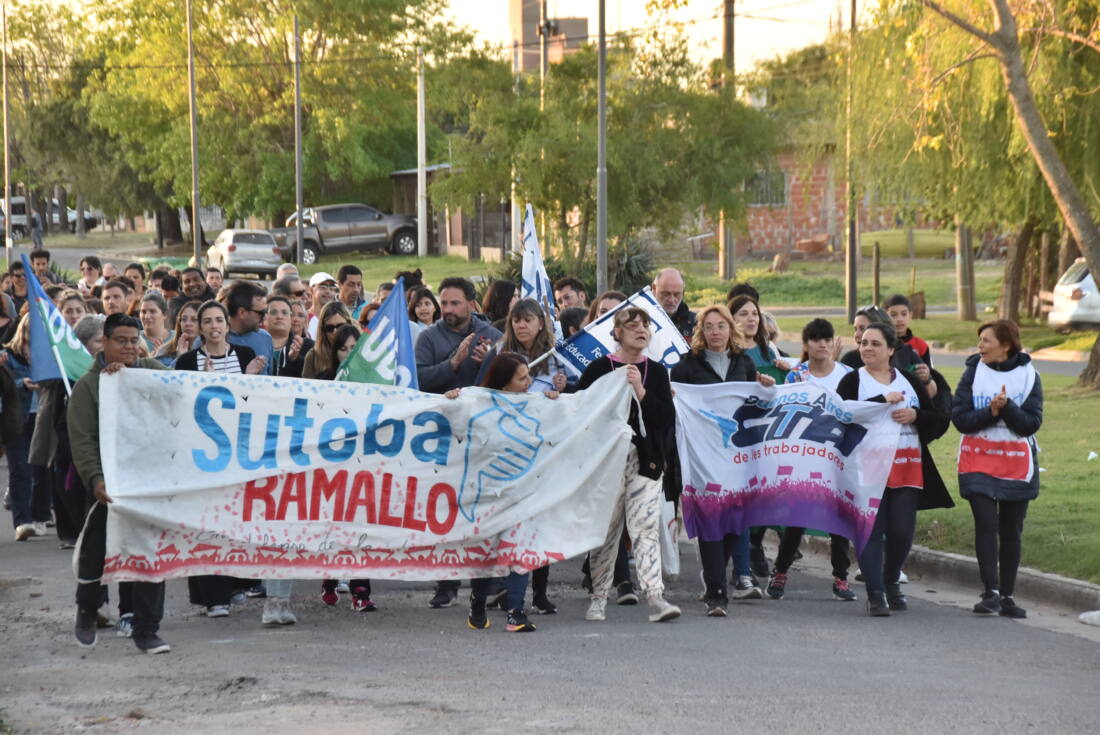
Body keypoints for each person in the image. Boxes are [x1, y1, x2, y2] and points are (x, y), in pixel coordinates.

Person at [70, 313, 172, 653]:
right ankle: (87, 609)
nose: (128, 347)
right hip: (108, 485)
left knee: (150, 554)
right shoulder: (88, 387)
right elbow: (82, 440)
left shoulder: (149, 371)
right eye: (121, 341)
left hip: (148, 482)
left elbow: (178, 390)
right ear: (105, 342)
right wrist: (95, 479)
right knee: (97, 553)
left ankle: (147, 629)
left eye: (133, 341)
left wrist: (134, 374)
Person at [836, 323, 952, 616]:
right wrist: (879, 402)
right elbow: (839, 415)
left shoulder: (908, 380)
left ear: (891, 349)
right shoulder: (852, 381)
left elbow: (937, 420)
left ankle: (891, 582)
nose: (867, 348)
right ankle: (875, 594)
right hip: (867, 468)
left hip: (906, 466)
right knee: (871, 531)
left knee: (901, 531)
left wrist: (916, 415)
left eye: (875, 344)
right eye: (863, 343)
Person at [577, 307, 681, 623]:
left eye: (645, 325)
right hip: (607, 462)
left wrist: (641, 390)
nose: (641, 329)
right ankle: (598, 598)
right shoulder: (599, 369)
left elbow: (665, 418)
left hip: (645, 461)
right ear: (617, 333)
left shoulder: (657, 372)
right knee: (606, 532)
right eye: (632, 325)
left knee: (645, 528)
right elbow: (581, 411)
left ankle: (656, 597)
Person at [445, 352, 559, 632]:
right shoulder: (476, 404)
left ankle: (515, 612)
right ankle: (477, 604)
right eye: (522, 378)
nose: (529, 382)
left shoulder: (536, 405)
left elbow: (560, 425)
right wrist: (450, 402)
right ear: (504, 383)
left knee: (520, 549)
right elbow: (454, 430)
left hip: (522, 493)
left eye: (528, 376)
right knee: (487, 553)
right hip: (486, 493)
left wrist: (557, 403)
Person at [671, 305, 774, 614]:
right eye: (709, 326)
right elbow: (676, 406)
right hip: (702, 457)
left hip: (736, 457)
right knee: (710, 520)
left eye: (721, 326)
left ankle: (714, 574)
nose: (715, 332)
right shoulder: (686, 366)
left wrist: (764, 387)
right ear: (701, 332)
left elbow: (754, 403)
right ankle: (716, 593)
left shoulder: (744, 363)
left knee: (733, 523)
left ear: (731, 329)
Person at [415, 276, 502, 608]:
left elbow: (508, 382)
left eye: (455, 303)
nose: (448, 309)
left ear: (471, 304)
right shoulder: (428, 338)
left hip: (483, 437)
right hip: (442, 438)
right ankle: (447, 583)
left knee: (483, 509)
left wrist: (487, 364)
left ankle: (489, 581)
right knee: (446, 509)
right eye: (444, 303)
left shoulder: (492, 335)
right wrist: (453, 363)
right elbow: (418, 379)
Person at [175, 301, 264, 618]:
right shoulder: (187, 361)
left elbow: (255, 403)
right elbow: (179, 404)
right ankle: (212, 596)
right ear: (200, 327)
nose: (214, 326)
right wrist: (204, 383)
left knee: (235, 520)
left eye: (218, 320)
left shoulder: (245, 356)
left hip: (239, 455)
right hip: (201, 456)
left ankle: (236, 582)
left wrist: (248, 379)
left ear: (227, 324)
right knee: (204, 523)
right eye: (207, 321)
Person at [952, 319, 1043, 619]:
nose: (980, 346)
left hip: (1015, 464)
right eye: (979, 340)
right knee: (986, 524)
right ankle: (989, 592)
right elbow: (960, 419)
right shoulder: (973, 372)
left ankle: (1007, 596)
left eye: (986, 340)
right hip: (977, 461)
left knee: (1011, 530)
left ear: (1005, 345)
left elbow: (1031, 424)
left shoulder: (1029, 376)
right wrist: (990, 411)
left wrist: (1008, 408)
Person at [767, 319, 858, 602]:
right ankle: (780, 571)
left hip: (838, 455)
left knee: (839, 519)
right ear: (806, 344)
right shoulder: (797, 375)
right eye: (816, 339)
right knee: (798, 517)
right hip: (805, 456)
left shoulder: (847, 374)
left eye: (827, 339)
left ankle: (841, 577)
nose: (822, 344)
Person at [305, 323, 376, 618]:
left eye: (353, 348)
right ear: (335, 353)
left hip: (364, 466)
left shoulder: (375, 383)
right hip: (331, 467)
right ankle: (330, 575)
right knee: (333, 525)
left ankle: (361, 591)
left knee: (361, 526)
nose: (348, 353)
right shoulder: (324, 381)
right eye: (343, 348)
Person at [4, 317, 51, 541]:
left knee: (42, 468)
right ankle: (22, 521)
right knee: (20, 469)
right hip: (17, 418)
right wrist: (21, 383)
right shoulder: (8, 355)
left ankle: (40, 515)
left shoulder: (50, 354)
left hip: (42, 417)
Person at [223, 280, 272, 374]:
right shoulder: (208, 340)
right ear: (242, 312)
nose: (265, 317)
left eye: (266, 311)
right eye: (261, 313)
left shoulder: (265, 338)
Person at [302, 301, 355, 379]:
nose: (335, 332)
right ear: (323, 329)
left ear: (349, 324)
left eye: (340, 326)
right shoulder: (313, 356)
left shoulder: (360, 353)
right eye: (329, 328)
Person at [266, 296, 312, 378]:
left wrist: (296, 359)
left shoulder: (308, 346)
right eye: (273, 312)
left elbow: (314, 376)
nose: (279, 317)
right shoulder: (254, 344)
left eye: (285, 313)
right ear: (264, 317)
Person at [885, 294, 932, 366]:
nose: (899, 319)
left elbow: (929, 371)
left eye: (904, 314)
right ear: (885, 317)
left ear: (910, 315)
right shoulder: (882, 344)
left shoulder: (920, 345)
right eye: (893, 315)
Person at [652, 268, 695, 340]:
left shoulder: (696, 324)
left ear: (683, 292)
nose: (671, 300)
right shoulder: (639, 321)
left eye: (677, 294)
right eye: (665, 294)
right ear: (654, 289)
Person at [156, 301, 201, 368]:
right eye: (184, 319)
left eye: (194, 320)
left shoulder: (210, 350)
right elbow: (161, 374)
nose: (187, 324)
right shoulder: (165, 350)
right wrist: (180, 359)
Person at [306, 272, 338, 339]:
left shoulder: (338, 318)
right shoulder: (304, 318)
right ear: (311, 290)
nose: (328, 291)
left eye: (331, 287)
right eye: (323, 287)